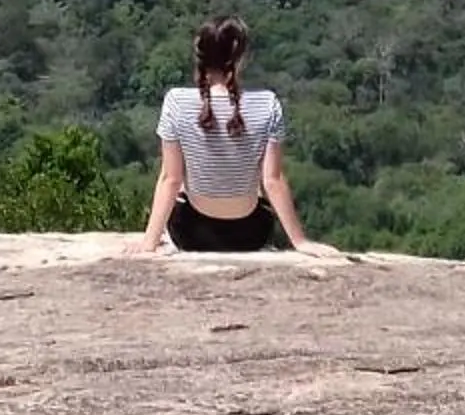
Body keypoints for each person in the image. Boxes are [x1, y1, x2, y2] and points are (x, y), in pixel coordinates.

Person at [127, 16, 337, 256]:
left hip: (191, 233)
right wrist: (300, 242)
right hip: (250, 235)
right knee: (255, 190)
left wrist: (149, 243)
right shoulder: (268, 104)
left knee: (186, 184)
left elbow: (170, 179)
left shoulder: (176, 102)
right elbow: (273, 181)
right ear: (240, 57)